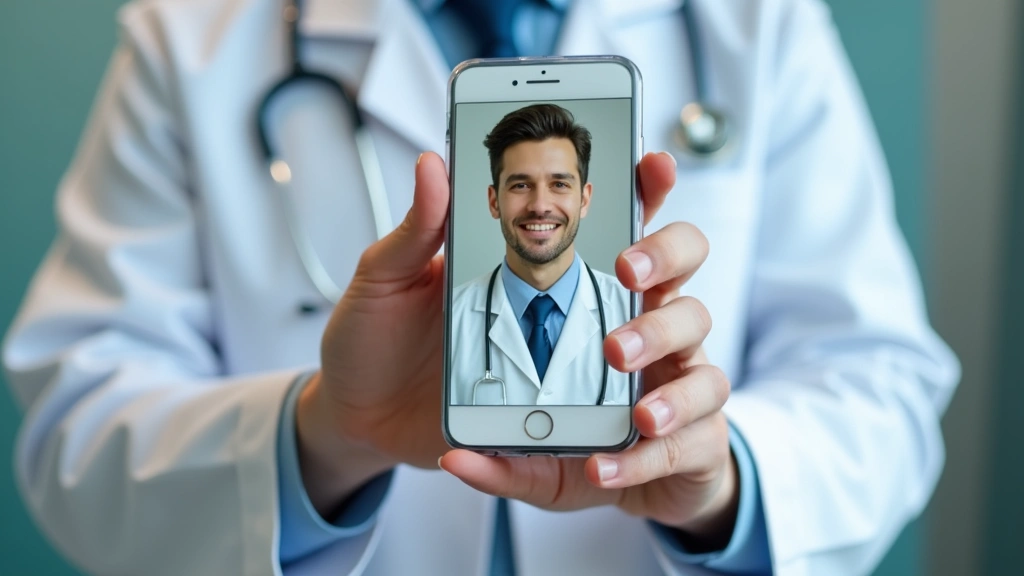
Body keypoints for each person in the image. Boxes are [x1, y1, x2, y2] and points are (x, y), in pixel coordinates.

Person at [1, 0, 960, 575]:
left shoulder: (756, 24)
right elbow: (76, 436)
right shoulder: (192, 39)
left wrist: (727, 483)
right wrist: (325, 436)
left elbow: (881, 385)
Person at [450, 103, 631, 406]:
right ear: (494, 202)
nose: (540, 205)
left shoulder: (634, 314)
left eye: (559, 184)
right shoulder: (448, 319)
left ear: (584, 200)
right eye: (521, 185)